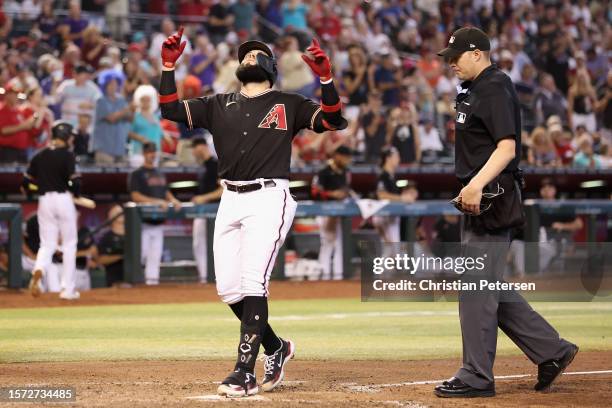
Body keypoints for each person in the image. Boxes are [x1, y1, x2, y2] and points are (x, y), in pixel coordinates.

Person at [159, 28, 347, 396]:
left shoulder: (288, 103)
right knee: (228, 290)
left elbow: (332, 121)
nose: (248, 58)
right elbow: (169, 109)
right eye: (244, 55)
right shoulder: (218, 103)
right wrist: (168, 66)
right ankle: (277, 347)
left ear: (271, 67)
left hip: (268, 197)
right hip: (229, 198)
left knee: (251, 282)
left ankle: (244, 371)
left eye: (255, 55)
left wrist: (326, 79)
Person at [435, 26, 578, 398]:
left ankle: (476, 375)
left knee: (477, 290)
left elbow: (507, 147)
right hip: (481, 196)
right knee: (486, 287)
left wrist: (477, 184)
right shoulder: (475, 89)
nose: (450, 63)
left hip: (492, 197)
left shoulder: (495, 86)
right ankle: (552, 350)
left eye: (456, 56)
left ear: (477, 53)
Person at [24, 121, 81, 300]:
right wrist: (75, 193)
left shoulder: (40, 155)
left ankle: (39, 270)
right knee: (69, 245)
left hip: (44, 200)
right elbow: (75, 182)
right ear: (66, 136)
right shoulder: (68, 155)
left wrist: (36, 190)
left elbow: (26, 183)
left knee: (47, 244)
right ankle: (67, 290)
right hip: (63, 198)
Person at [128, 142, 182, 285]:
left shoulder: (159, 173)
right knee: (141, 255)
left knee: (155, 257)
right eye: (149, 152)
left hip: (158, 222)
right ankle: (135, 283)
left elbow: (165, 191)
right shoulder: (137, 174)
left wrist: (174, 200)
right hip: (142, 223)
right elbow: (135, 196)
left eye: (154, 152)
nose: (152, 154)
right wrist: (157, 202)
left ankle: (152, 285)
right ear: (144, 154)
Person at [311, 146, 353, 281]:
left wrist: (343, 194)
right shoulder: (324, 171)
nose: (347, 160)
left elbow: (346, 189)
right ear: (337, 156)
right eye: (345, 157)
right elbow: (314, 192)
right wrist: (332, 194)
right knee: (327, 242)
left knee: (340, 244)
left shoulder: (345, 171)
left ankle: (338, 275)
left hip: (339, 212)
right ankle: (324, 274)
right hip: (324, 211)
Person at [190, 137, 222, 283]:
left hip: (216, 211)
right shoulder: (202, 167)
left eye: (194, 148)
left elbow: (224, 189)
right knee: (199, 244)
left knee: (218, 245)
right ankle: (204, 277)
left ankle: (217, 277)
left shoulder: (216, 165)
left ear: (201, 147)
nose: (193, 152)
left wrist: (204, 198)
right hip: (202, 212)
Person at [372, 147, 415, 246]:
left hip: (392, 217)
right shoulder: (383, 175)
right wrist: (402, 198)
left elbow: (392, 195)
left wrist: (406, 195)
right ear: (388, 158)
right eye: (396, 156)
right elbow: (381, 195)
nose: (398, 159)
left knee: (392, 254)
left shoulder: (392, 176)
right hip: (384, 217)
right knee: (389, 253)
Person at [92, 70, 132, 164]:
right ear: (104, 85)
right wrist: (126, 110)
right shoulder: (100, 100)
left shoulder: (121, 100)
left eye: (115, 83)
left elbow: (130, 117)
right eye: (110, 84)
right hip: (104, 148)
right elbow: (111, 118)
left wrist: (127, 112)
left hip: (120, 147)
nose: (113, 86)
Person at [0, 83, 36, 163]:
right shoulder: (2, 110)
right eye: (13, 94)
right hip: (8, 151)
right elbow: (3, 130)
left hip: (22, 151)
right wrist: (23, 126)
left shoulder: (18, 110)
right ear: (7, 95)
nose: (16, 96)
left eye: (17, 94)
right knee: (8, 175)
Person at [97, 205, 126, 287]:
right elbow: (100, 260)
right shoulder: (106, 237)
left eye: (121, 212)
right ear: (110, 217)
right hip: (114, 281)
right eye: (116, 213)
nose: (120, 214)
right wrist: (121, 256)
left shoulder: (133, 234)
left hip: (133, 281)